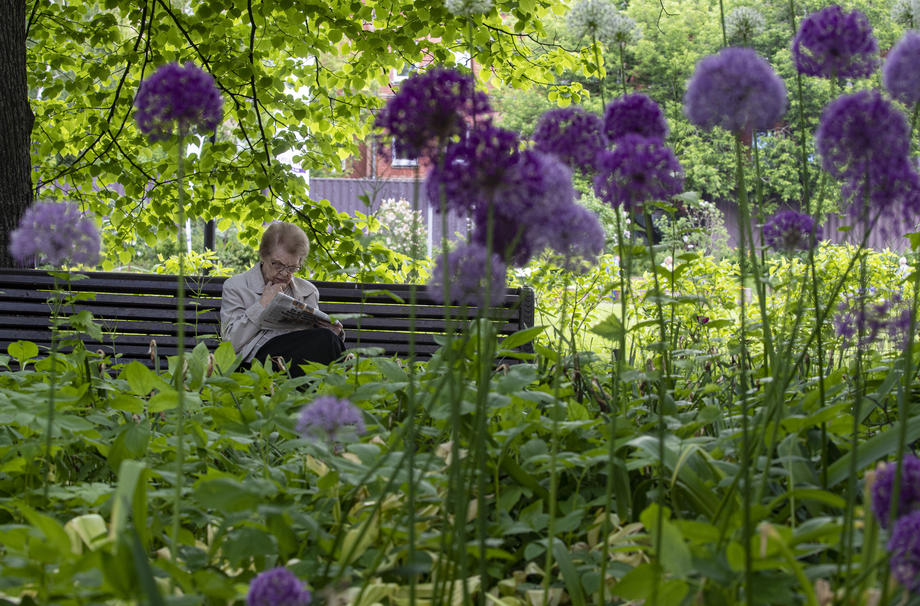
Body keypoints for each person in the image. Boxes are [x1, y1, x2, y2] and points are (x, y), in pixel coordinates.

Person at [221, 221, 345, 376]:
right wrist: (262, 304)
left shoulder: (307, 291)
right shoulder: (236, 286)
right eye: (278, 265)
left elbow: (313, 342)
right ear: (263, 255)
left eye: (292, 268)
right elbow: (230, 344)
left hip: (298, 361)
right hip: (254, 364)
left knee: (328, 339)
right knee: (325, 341)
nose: (285, 273)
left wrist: (333, 332)